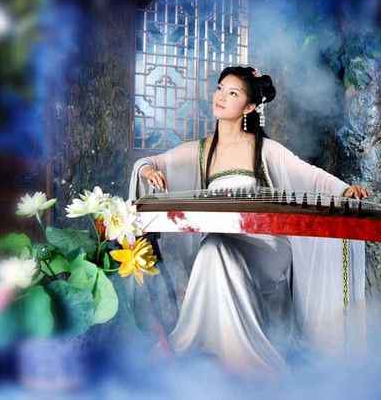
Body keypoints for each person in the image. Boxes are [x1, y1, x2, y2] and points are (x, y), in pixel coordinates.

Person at [128, 66, 368, 377]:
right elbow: (147, 163)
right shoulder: (201, 151)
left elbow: (311, 176)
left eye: (233, 93)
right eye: (220, 88)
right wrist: (148, 171)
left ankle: (249, 360)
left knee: (215, 247)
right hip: (221, 241)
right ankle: (207, 347)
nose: (221, 97)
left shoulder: (264, 149)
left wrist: (344, 190)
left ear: (249, 107)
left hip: (265, 245)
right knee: (214, 247)